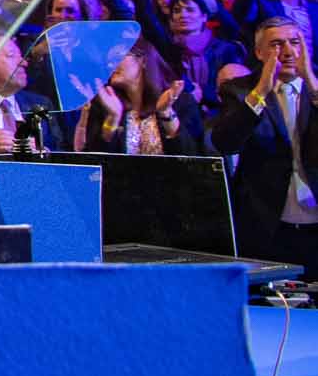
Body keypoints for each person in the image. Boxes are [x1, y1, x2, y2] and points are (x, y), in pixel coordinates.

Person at [210, 17, 318, 272]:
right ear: (259, 52)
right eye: (277, 45)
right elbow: (224, 142)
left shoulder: (315, 86)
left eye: (295, 42)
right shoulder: (240, 90)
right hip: (268, 224)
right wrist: (260, 91)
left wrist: (311, 83)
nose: (289, 52)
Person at [70, 42, 202, 154]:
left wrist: (166, 112)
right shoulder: (106, 104)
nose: (110, 65)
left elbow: (192, 157)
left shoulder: (180, 101)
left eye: (117, 57)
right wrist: (113, 119)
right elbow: (95, 163)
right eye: (108, 61)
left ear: (143, 61)